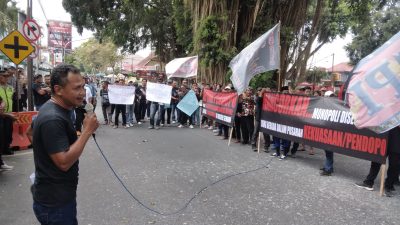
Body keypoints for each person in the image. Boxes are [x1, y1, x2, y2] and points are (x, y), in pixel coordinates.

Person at [31, 64, 99, 225]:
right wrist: (87, 131)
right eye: (76, 88)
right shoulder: (53, 118)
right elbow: (63, 162)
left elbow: (29, 132)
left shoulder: (58, 109)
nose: (82, 92)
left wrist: (44, 157)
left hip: (57, 195)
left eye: (83, 86)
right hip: (55, 203)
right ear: (58, 89)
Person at [355, 126, 400, 197]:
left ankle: (388, 186)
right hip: (384, 135)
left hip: (397, 140)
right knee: (376, 160)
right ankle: (369, 182)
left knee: (394, 165)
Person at [251, 87, 271, 152]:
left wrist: (268, 92)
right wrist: (262, 92)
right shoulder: (258, 98)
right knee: (255, 131)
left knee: (266, 133)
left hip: (266, 118)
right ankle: (253, 145)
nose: (261, 92)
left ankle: (266, 146)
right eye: (259, 91)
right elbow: (259, 100)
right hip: (258, 118)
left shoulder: (268, 99)